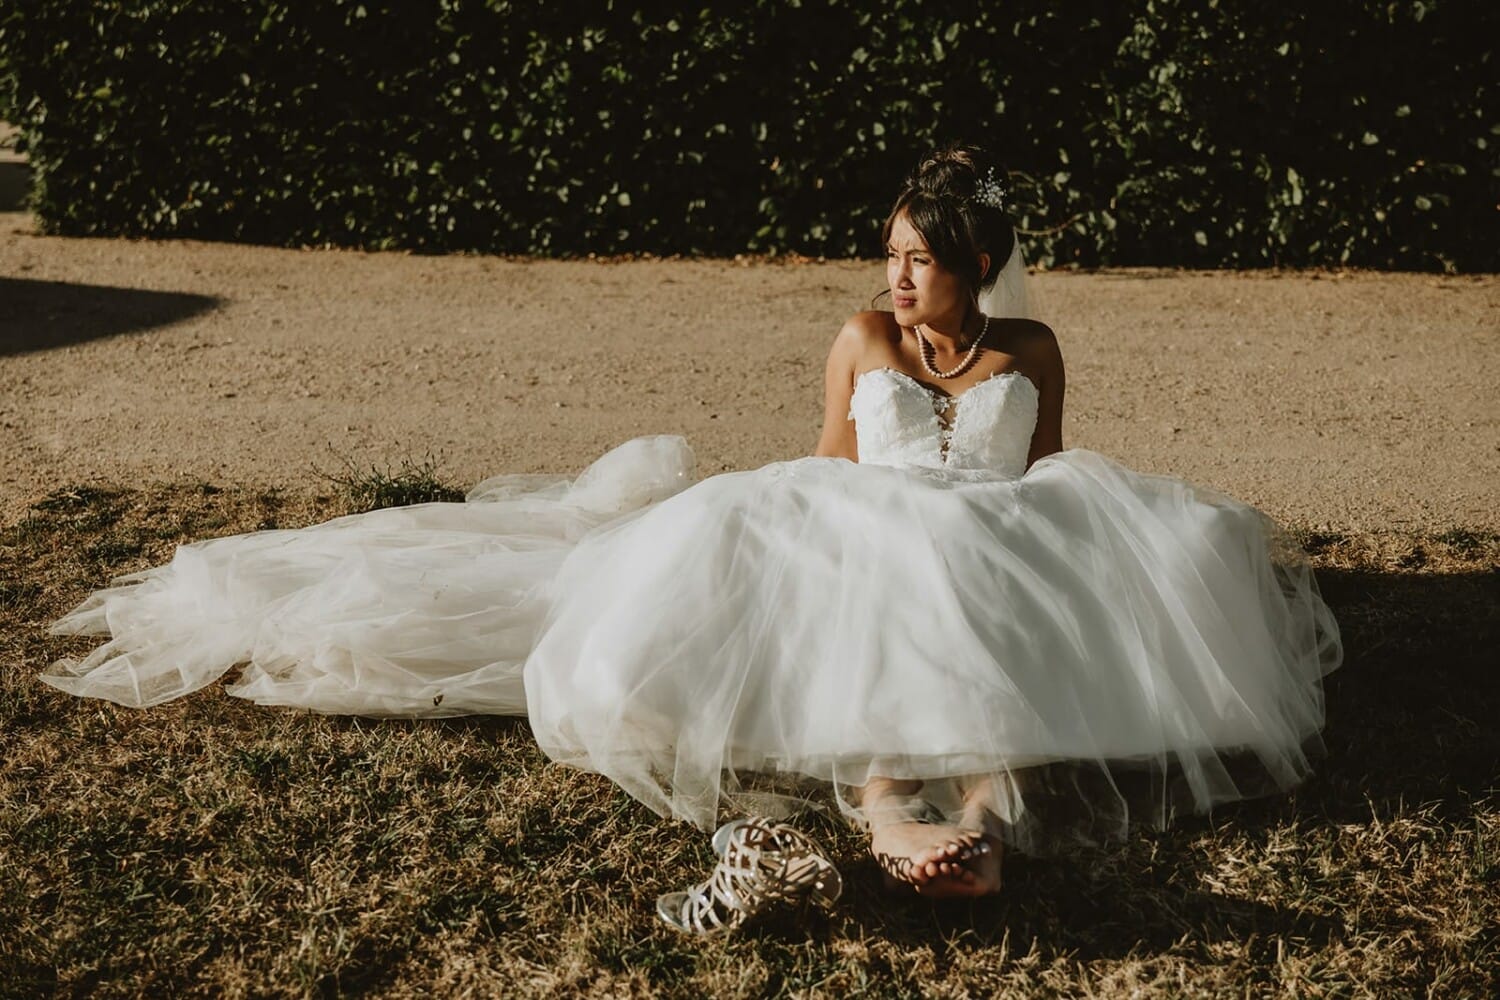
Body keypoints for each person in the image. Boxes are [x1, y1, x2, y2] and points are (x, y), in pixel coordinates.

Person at [43, 148, 1341, 912]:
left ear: (977, 268)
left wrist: (1078, 550)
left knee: (1018, 591)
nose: (896, 276)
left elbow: (1049, 466)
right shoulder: (863, 337)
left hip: (1005, 520)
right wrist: (805, 531)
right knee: (891, 594)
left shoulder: (1033, 345)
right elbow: (831, 458)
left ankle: (985, 817)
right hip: (873, 513)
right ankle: (889, 805)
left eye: (920, 260)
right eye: (891, 253)